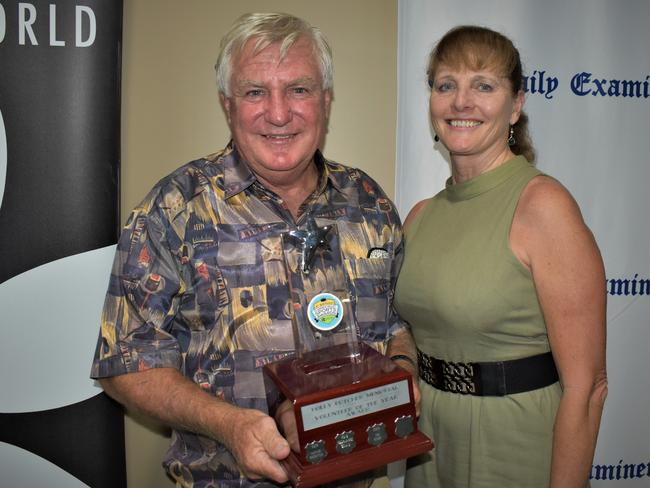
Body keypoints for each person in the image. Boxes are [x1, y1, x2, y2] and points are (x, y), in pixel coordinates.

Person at [90, 12, 418, 488]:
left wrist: (404, 367)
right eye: (255, 92)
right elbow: (123, 362)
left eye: (299, 89)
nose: (279, 113)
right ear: (228, 105)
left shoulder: (368, 203)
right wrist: (231, 425)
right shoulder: (176, 208)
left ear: (326, 100)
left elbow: (394, 322)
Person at [394, 25, 607, 488]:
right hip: (429, 448)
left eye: (483, 86)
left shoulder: (543, 206)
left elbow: (587, 389)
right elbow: (409, 329)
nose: (460, 102)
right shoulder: (419, 217)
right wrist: (405, 365)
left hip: (514, 448)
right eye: (445, 85)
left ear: (516, 105)